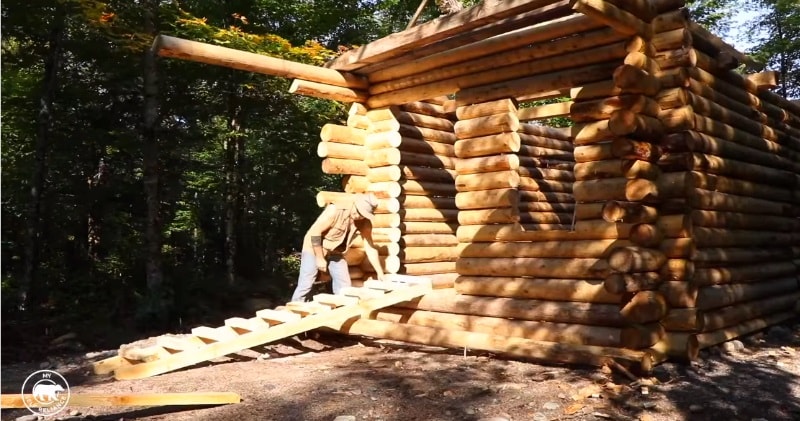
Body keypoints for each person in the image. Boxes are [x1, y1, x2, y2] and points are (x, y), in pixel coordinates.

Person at [290, 193, 385, 302]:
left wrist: (380, 273)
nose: (359, 216)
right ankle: (295, 310)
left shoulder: (365, 222)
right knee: (306, 283)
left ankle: (341, 313)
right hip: (314, 247)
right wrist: (320, 258)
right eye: (359, 212)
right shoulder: (335, 210)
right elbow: (314, 233)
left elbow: (370, 248)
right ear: (355, 204)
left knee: (345, 287)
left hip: (336, 252)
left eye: (363, 214)